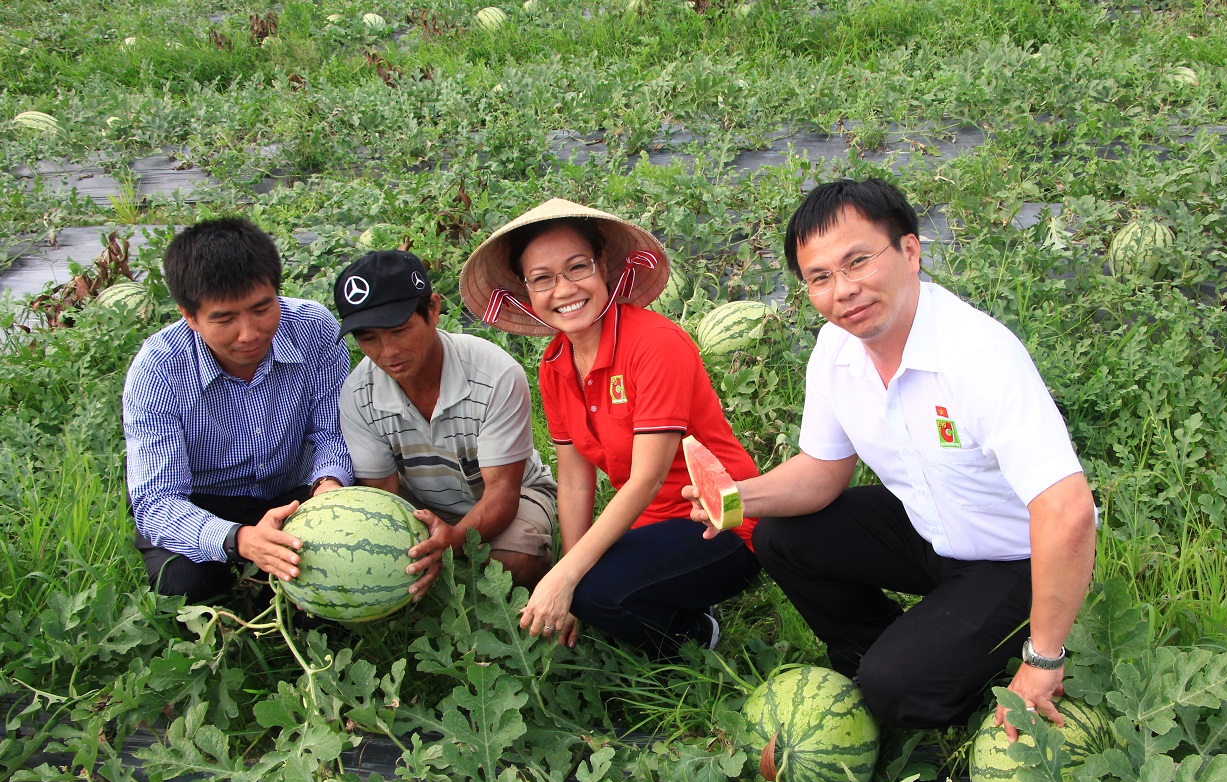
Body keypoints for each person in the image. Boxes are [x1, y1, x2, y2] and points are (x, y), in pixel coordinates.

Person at [685, 179, 1097, 739]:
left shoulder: (977, 357)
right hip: (929, 527)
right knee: (780, 534)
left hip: (1015, 559)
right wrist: (735, 499)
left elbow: (1068, 509)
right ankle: (884, 655)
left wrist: (1044, 659)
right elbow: (821, 472)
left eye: (859, 261)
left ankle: (944, 675)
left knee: (896, 693)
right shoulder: (835, 351)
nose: (844, 290)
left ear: (909, 250)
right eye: (821, 278)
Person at [460, 199, 760, 655]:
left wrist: (568, 577)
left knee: (590, 589)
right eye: (542, 278)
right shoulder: (554, 362)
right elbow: (575, 480)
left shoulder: (655, 344)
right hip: (648, 523)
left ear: (603, 267)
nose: (563, 290)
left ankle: (698, 636)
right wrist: (569, 569)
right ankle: (661, 596)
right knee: (586, 589)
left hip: (724, 521)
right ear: (527, 292)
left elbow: (648, 477)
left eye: (577, 268)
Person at [123, 217, 353, 603]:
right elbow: (158, 500)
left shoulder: (314, 330)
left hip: (296, 489)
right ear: (189, 316)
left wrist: (328, 485)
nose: (249, 333)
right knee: (184, 584)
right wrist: (238, 538)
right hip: (206, 499)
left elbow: (330, 432)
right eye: (225, 319)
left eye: (262, 309)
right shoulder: (158, 369)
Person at [332, 249, 558, 597]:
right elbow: (382, 499)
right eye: (368, 339)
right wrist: (399, 551)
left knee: (514, 562)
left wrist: (451, 541)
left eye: (399, 330)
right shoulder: (358, 393)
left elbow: (501, 494)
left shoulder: (495, 374)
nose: (387, 351)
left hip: (510, 494)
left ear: (433, 309)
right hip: (423, 503)